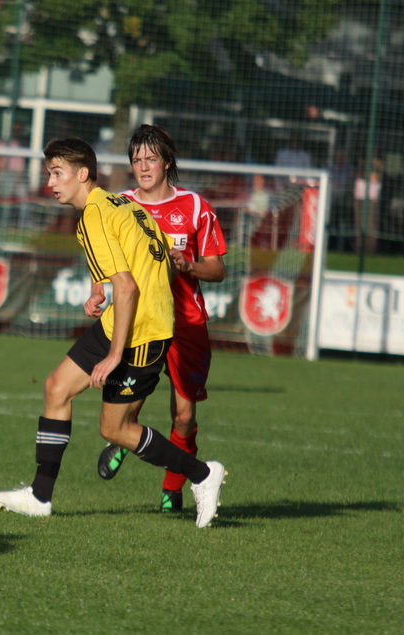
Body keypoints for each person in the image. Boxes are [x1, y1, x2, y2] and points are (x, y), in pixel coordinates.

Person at [0, 137, 227, 528]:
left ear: (82, 174)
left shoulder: (97, 213)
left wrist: (114, 355)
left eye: (57, 173)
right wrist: (99, 288)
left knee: (115, 429)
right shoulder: (115, 203)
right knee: (56, 388)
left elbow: (127, 287)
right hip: (123, 320)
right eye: (49, 174)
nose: (50, 182)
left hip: (144, 332)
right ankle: (39, 496)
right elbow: (149, 256)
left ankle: (202, 474)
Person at [94, 124, 228, 514]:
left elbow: (217, 269)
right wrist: (97, 288)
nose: (143, 167)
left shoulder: (195, 207)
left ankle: (172, 489)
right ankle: (122, 438)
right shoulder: (120, 205)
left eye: (150, 159)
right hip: (141, 322)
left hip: (186, 324)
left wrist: (189, 266)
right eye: (136, 160)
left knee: (184, 417)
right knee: (127, 410)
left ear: (167, 162)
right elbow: (103, 256)